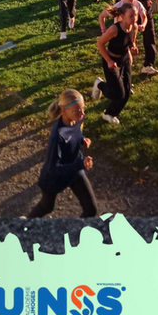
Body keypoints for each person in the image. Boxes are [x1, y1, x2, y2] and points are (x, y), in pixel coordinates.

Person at [27, 89, 97, 218]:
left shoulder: (78, 118)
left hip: (74, 170)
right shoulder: (58, 135)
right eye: (77, 111)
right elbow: (53, 169)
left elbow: (76, 132)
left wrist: (82, 139)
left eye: (83, 109)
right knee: (47, 207)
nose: (82, 114)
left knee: (91, 210)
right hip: (54, 178)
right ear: (63, 110)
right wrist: (80, 164)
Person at [92, 3, 138, 125]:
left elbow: (131, 41)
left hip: (124, 59)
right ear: (122, 16)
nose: (134, 18)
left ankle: (109, 114)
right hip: (111, 60)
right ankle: (100, 85)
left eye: (136, 15)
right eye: (131, 16)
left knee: (126, 92)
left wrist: (132, 48)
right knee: (118, 93)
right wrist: (109, 61)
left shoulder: (134, 27)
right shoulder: (114, 29)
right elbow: (99, 44)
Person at [132, 0, 158, 75]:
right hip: (135, 15)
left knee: (150, 37)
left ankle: (148, 65)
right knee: (129, 38)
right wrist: (144, 3)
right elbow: (132, 1)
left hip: (147, 14)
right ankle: (122, 61)